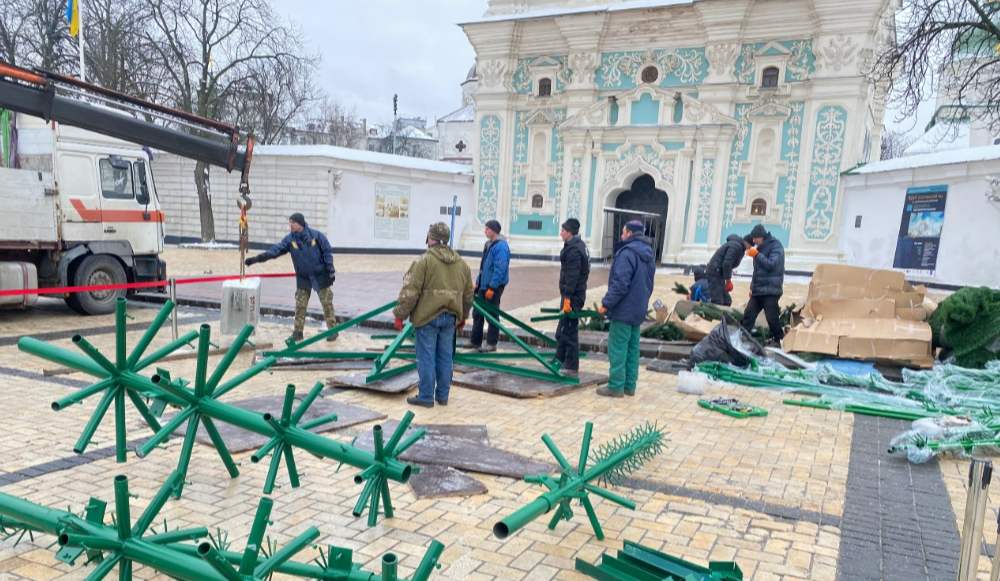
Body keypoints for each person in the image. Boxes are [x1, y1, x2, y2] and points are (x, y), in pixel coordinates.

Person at [393, 222, 474, 408]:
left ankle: (426, 396)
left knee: (426, 357)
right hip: (450, 318)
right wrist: (462, 316)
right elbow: (468, 295)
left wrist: (400, 315)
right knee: (446, 357)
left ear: (431, 238)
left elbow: (410, 291)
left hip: (427, 317)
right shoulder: (462, 264)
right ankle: (443, 396)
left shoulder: (424, 261)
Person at [245, 212, 337, 342]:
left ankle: (333, 330)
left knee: (327, 303)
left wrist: (330, 269)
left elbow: (327, 252)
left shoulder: (316, 236)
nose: (291, 225)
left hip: (320, 275)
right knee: (300, 305)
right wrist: (256, 259)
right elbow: (274, 251)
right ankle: (298, 332)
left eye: (293, 222)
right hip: (303, 277)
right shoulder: (290, 240)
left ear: (300, 223)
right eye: (290, 222)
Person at [598, 220, 655, 398]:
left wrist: (606, 303)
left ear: (630, 233)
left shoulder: (627, 253)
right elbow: (650, 284)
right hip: (638, 308)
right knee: (632, 348)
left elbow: (620, 284)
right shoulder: (649, 254)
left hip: (623, 309)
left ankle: (615, 386)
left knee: (618, 348)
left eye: (623, 232)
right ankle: (629, 386)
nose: (621, 236)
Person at [463, 219, 510, 353]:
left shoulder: (501, 246)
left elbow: (500, 268)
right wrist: (478, 282)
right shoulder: (489, 244)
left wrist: (493, 287)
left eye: (487, 229)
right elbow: (484, 266)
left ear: (494, 231)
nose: (485, 231)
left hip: (493, 287)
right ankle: (475, 341)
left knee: (491, 314)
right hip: (484, 285)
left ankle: (491, 343)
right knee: (478, 313)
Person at [741, 224, 786, 347]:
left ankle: (779, 340)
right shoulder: (760, 248)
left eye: (755, 238)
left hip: (771, 290)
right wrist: (752, 287)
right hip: (758, 290)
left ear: (762, 237)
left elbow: (771, 265)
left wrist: (757, 255)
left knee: (772, 318)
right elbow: (757, 272)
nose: (753, 241)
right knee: (748, 314)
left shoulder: (776, 246)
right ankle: (742, 338)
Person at [555, 218, 590, 375]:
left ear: (569, 232)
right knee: (563, 327)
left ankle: (571, 364)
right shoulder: (575, 246)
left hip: (574, 295)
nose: (561, 233)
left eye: (563, 231)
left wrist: (568, 297)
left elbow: (573, 275)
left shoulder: (575, 249)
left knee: (569, 329)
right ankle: (559, 359)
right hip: (571, 293)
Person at [706, 234, 752, 306]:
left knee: (727, 301)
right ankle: (712, 315)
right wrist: (728, 280)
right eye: (751, 245)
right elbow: (727, 263)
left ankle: (723, 316)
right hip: (715, 272)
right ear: (747, 242)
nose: (750, 248)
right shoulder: (736, 246)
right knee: (718, 301)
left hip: (719, 273)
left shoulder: (739, 247)